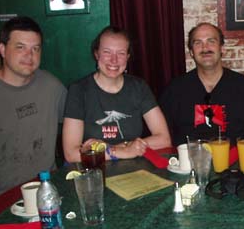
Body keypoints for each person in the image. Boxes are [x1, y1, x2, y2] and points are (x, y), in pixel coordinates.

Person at [0, 16, 67, 218]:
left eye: (36, 48)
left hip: (46, 193)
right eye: (20, 47)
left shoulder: (52, 87)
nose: (29, 55)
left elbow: (79, 127)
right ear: (3, 50)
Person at [62, 26, 171, 162]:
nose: (114, 60)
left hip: (134, 169)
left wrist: (120, 148)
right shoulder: (78, 90)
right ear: (97, 54)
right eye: (107, 52)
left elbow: (164, 139)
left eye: (121, 53)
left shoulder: (139, 87)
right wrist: (121, 151)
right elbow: (71, 154)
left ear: (128, 57)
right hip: (94, 170)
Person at [159, 22, 244, 146]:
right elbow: (161, 135)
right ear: (191, 52)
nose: (205, 48)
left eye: (211, 41)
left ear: (222, 48)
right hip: (189, 163)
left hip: (236, 163)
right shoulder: (174, 90)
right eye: (198, 43)